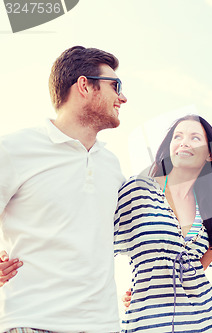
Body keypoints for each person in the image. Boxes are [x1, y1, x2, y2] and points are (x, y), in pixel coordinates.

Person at [0, 46, 127, 332]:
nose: (123, 97)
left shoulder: (112, 165)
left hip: (102, 325)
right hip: (31, 322)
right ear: (84, 85)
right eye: (115, 85)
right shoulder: (13, 149)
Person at [114, 114, 212, 332]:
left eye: (195, 138)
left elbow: (205, 267)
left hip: (204, 323)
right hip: (146, 324)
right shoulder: (139, 189)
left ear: (210, 155)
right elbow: (100, 246)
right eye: (178, 137)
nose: (184, 142)